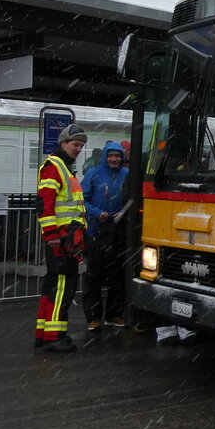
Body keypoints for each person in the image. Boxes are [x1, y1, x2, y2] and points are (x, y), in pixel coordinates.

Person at [34, 123, 89, 354]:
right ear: (63, 143)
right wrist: (52, 235)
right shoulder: (55, 166)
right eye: (76, 144)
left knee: (53, 286)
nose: (79, 149)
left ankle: (43, 333)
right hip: (62, 240)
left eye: (81, 146)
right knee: (62, 287)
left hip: (65, 239)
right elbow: (44, 203)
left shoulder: (62, 167)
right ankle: (54, 337)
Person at [81, 141, 130, 330]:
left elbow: (133, 199)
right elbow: (81, 200)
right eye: (110, 156)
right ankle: (93, 318)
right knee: (94, 276)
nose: (114, 159)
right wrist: (96, 213)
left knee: (117, 276)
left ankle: (114, 314)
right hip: (97, 231)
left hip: (119, 231)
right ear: (104, 157)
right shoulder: (93, 174)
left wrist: (124, 213)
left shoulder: (127, 174)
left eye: (117, 156)